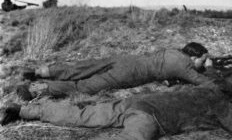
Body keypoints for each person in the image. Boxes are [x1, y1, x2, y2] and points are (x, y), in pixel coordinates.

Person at [0, 60, 232, 140]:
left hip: (136, 102)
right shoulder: (221, 103)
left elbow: (209, 76)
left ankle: (23, 111)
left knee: (83, 114)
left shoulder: (203, 88)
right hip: (150, 117)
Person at [17, 42, 210, 100]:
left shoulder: (173, 51)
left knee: (81, 68)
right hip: (131, 73)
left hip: (125, 59)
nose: (204, 62)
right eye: (203, 59)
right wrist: (208, 69)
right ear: (194, 57)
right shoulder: (185, 66)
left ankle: (38, 72)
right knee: (86, 86)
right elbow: (204, 83)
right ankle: (36, 91)